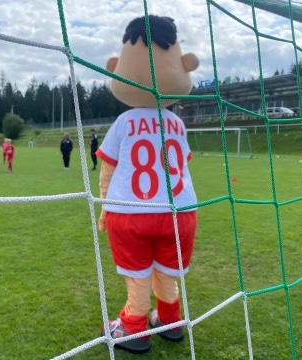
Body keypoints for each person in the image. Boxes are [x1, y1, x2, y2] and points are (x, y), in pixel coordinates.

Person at [97, 15, 199, 353]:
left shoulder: (124, 121)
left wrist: (103, 208)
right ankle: (170, 320)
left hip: (131, 211)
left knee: (138, 275)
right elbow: (183, 165)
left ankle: (134, 326)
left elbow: (108, 170)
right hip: (179, 212)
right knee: (167, 272)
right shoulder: (177, 124)